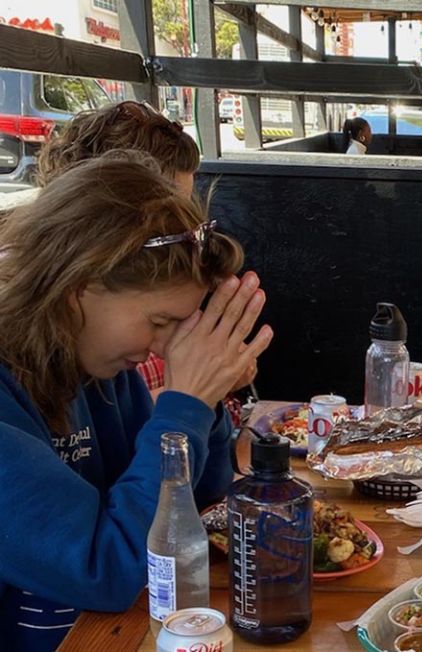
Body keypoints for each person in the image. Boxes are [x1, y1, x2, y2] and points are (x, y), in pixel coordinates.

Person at [0, 152, 273, 651]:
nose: (163, 348)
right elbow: (109, 568)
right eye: (160, 322)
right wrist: (185, 401)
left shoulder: (95, 367)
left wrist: (205, 399)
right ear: (78, 287)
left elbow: (196, 502)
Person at [26, 100, 210, 399]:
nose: (180, 234)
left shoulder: (103, 354)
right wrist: (191, 398)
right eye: (167, 217)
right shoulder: (88, 335)